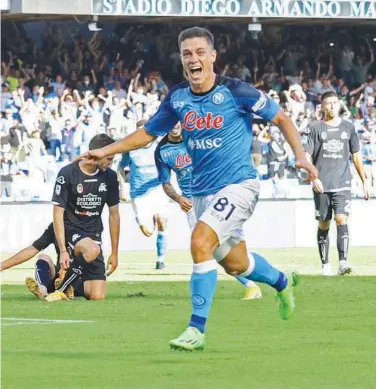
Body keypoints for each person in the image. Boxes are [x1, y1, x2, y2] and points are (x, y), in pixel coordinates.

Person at [80, 26, 317, 351]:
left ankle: (196, 329)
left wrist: (301, 156)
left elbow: (283, 119)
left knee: (199, 241)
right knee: (235, 264)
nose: (194, 59)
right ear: (182, 59)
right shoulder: (178, 98)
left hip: (239, 185)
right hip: (202, 195)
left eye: (200, 52)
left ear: (213, 57)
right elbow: (148, 133)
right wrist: (107, 151)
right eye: (187, 54)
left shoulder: (237, 91)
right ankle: (282, 281)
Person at [155, 122, 262, 300]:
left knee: (230, 243)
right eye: (170, 121)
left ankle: (265, 280)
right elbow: (165, 182)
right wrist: (178, 198)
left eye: (177, 121)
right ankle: (259, 282)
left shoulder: (197, 136)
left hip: (219, 193)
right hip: (192, 201)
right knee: (209, 246)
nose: (174, 125)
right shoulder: (162, 151)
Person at [47, 134, 120, 301]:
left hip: (93, 235)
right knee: (92, 249)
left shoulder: (110, 176)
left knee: (96, 295)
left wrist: (115, 252)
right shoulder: (67, 173)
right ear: (96, 153)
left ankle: (59, 280)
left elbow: (114, 215)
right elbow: (57, 213)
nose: (110, 163)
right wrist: (63, 250)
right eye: (108, 158)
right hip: (71, 229)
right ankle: (61, 290)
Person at [304, 91, 369, 277]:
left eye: (335, 102)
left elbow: (356, 156)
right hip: (322, 184)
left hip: (343, 182)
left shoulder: (349, 128)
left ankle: (343, 263)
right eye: (329, 103)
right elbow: (307, 155)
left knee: (341, 219)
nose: (332, 106)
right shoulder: (315, 128)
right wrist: (313, 177)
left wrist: (364, 181)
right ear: (323, 106)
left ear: (340, 105)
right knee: (324, 223)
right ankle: (325, 266)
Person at [120, 120, 169, 270]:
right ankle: (149, 220)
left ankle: (160, 260)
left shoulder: (159, 146)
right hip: (139, 194)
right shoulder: (131, 149)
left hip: (157, 189)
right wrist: (123, 187)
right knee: (147, 232)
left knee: (162, 221)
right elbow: (120, 167)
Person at [0, 222, 79, 300]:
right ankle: (42, 290)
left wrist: (68, 271)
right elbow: (32, 249)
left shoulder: (86, 228)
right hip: (59, 275)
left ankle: (66, 288)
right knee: (43, 257)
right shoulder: (55, 227)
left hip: (80, 275)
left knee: (70, 276)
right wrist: (2, 266)